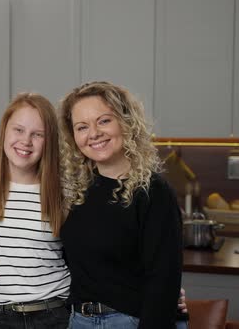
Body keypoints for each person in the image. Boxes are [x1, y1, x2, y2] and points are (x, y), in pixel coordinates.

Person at [58, 81, 183, 328]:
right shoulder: (75, 190)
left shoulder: (154, 192)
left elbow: (163, 281)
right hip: (78, 320)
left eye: (104, 121)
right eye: (82, 127)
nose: (93, 133)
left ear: (126, 122)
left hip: (130, 321)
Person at [0, 93, 71, 328]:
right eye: (18, 130)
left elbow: (84, 256)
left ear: (49, 140)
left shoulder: (65, 191)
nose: (26, 141)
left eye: (38, 134)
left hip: (54, 314)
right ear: (4, 132)